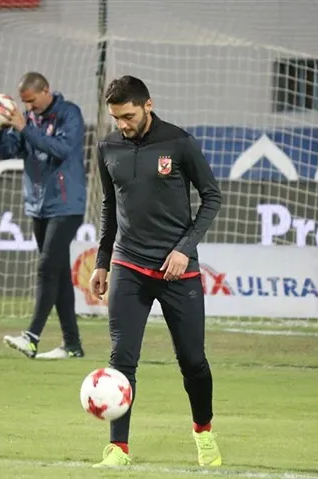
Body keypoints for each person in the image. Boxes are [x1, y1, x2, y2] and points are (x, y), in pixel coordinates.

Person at [89, 75, 223, 467]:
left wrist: (184, 249)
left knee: (193, 361)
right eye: (116, 118)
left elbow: (212, 197)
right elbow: (110, 207)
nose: (122, 125)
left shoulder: (179, 143)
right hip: (128, 264)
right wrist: (102, 261)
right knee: (121, 359)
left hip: (177, 271)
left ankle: (203, 432)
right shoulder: (108, 147)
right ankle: (118, 448)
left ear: (148, 105)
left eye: (128, 116)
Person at [0, 72, 86, 360]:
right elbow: (8, 152)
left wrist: (24, 127)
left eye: (32, 101)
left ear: (46, 91)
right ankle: (72, 345)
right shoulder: (29, 119)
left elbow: (61, 149)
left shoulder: (69, 114)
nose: (29, 107)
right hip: (38, 205)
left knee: (46, 268)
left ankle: (31, 338)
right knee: (59, 275)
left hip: (67, 205)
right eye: (25, 102)